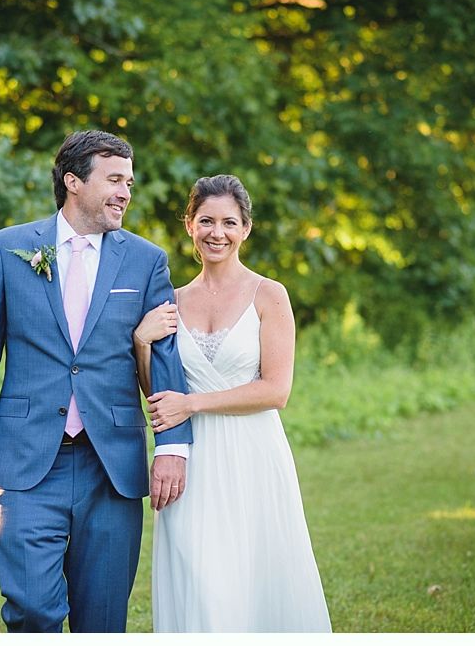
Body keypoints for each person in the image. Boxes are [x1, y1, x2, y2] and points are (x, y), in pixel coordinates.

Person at [0, 130, 193, 633]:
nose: (126, 192)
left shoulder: (146, 259)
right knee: (31, 609)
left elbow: (165, 356)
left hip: (111, 463)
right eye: (114, 180)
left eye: (129, 182)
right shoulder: (9, 248)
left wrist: (172, 445)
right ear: (73, 182)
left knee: (102, 618)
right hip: (26, 457)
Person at [133, 174, 332, 632]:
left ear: (245, 228)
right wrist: (141, 343)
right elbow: (159, 395)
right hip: (189, 458)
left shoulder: (270, 295)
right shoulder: (171, 301)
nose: (216, 232)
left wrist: (193, 404)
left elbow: (275, 390)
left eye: (228, 222)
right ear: (189, 225)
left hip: (252, 454)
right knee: (199, 576)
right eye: (205, 220)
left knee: (253, 576)